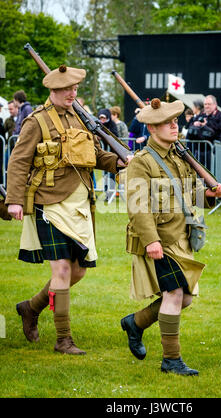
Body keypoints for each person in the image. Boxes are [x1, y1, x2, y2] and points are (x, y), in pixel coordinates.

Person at [5, 65, 128, 355]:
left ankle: (31, 308)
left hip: (80, 202)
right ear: (53, 90)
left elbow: (94, 155)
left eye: (75, 89)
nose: (72, 93)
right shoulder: (36, 121)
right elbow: (18, 161)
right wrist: (14, 199)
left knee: (77, 271)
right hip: (49, 201)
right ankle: (64, 340)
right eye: (66, 89)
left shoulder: (79, 118)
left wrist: (119, 162)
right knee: (61, 269)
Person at [121, 98, 221, 376]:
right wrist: (150, 240)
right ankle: (171, 360)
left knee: (185, 298)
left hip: (182, 238)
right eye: (167, 122)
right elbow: (137, 206)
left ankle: (136, 323)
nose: (174, 126)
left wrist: (208, 195)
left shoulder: (180, 156)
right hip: (160, 240)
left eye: (176, 121)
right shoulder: (142, 162)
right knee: (175, 293)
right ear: (152, 128)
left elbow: (188, 195)